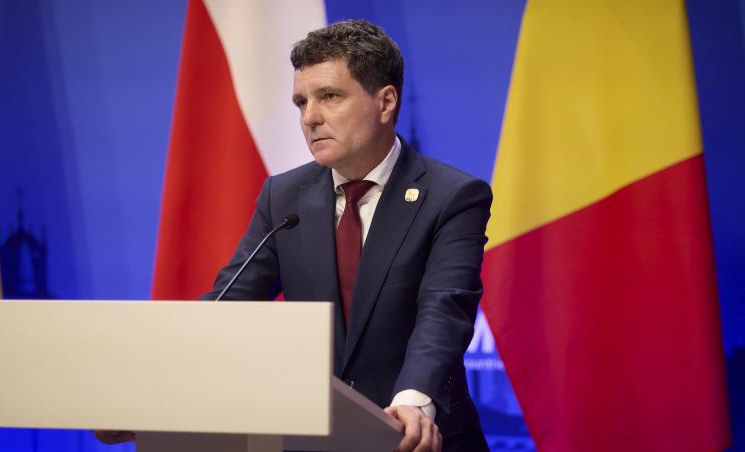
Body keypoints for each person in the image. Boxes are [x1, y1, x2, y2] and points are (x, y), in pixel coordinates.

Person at [98, 19, 491, 452]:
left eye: (330, 97)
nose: (309, 118)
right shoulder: (285, 196)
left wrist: (414, 401)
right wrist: (150, 394)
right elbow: (228, 305)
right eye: (301, 102)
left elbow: (443, 310)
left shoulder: (453, 197)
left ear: (385, 102)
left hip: (415, 438)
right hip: (316, 437)